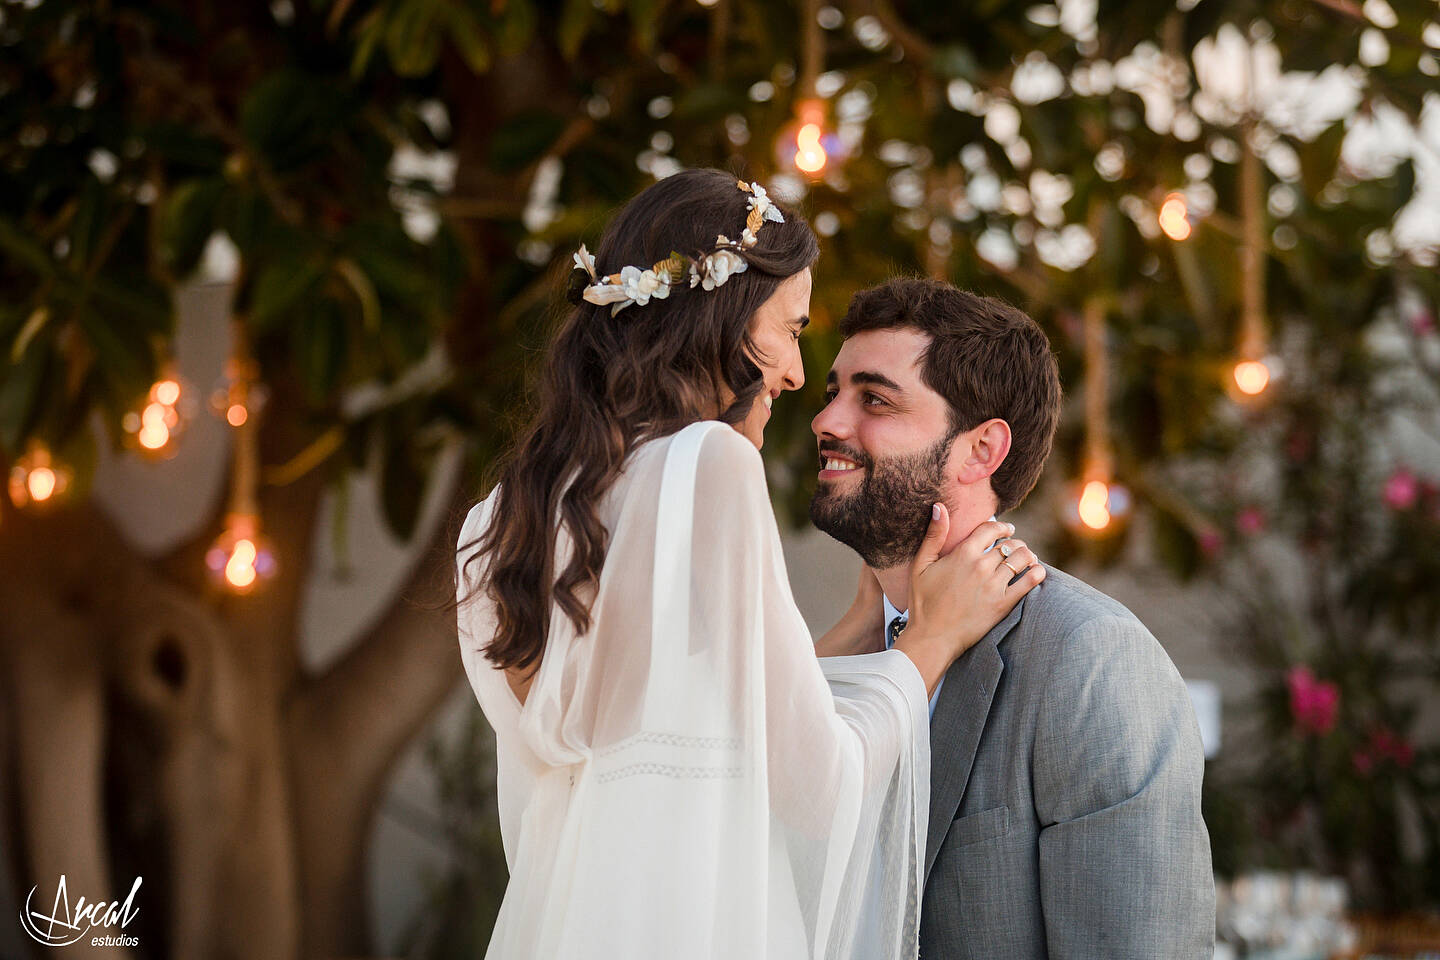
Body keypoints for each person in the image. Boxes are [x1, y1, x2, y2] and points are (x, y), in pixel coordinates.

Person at [453, 169, 1044, 960]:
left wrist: (860, 627)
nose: (797, 376)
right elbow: (817, 788)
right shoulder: (706, 465)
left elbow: (707, 719)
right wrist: (929, 643)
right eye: (792, 330)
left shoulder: (499, 521)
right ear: (724, 321)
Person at [809, 277, 1215, 959]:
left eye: (873, 398)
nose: (827, 421)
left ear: (981, 451)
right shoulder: (849, 652)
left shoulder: (1089, 658)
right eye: (833, 393)